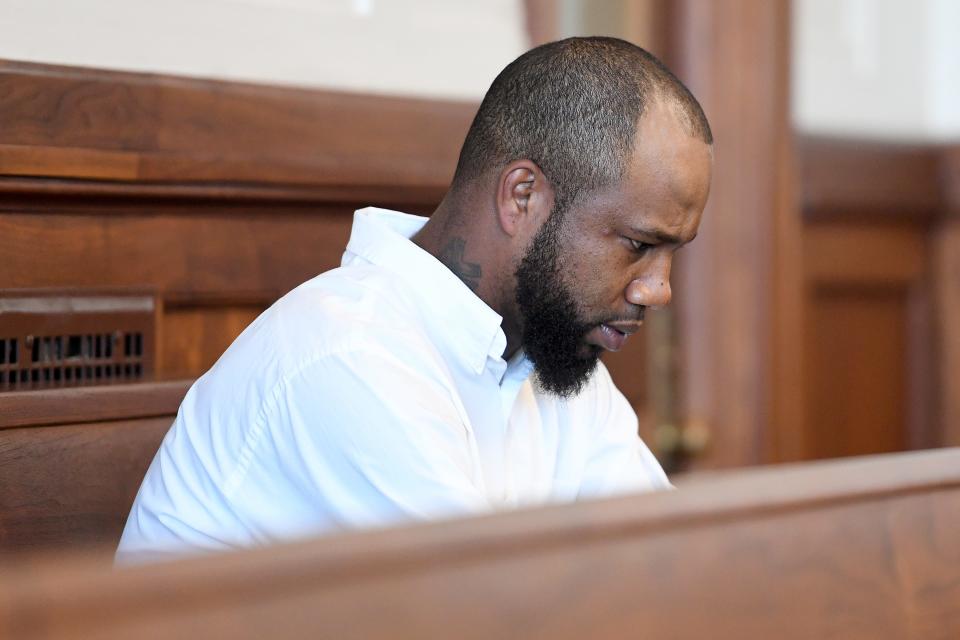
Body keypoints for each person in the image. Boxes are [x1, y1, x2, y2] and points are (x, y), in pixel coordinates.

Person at [116, 36, 713, 564]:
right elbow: (497, 620)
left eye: (672, 254)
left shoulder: (555, 359)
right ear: (522, 196)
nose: (657, 289)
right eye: (637, 244)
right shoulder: (351, 356)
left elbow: (663, 569)